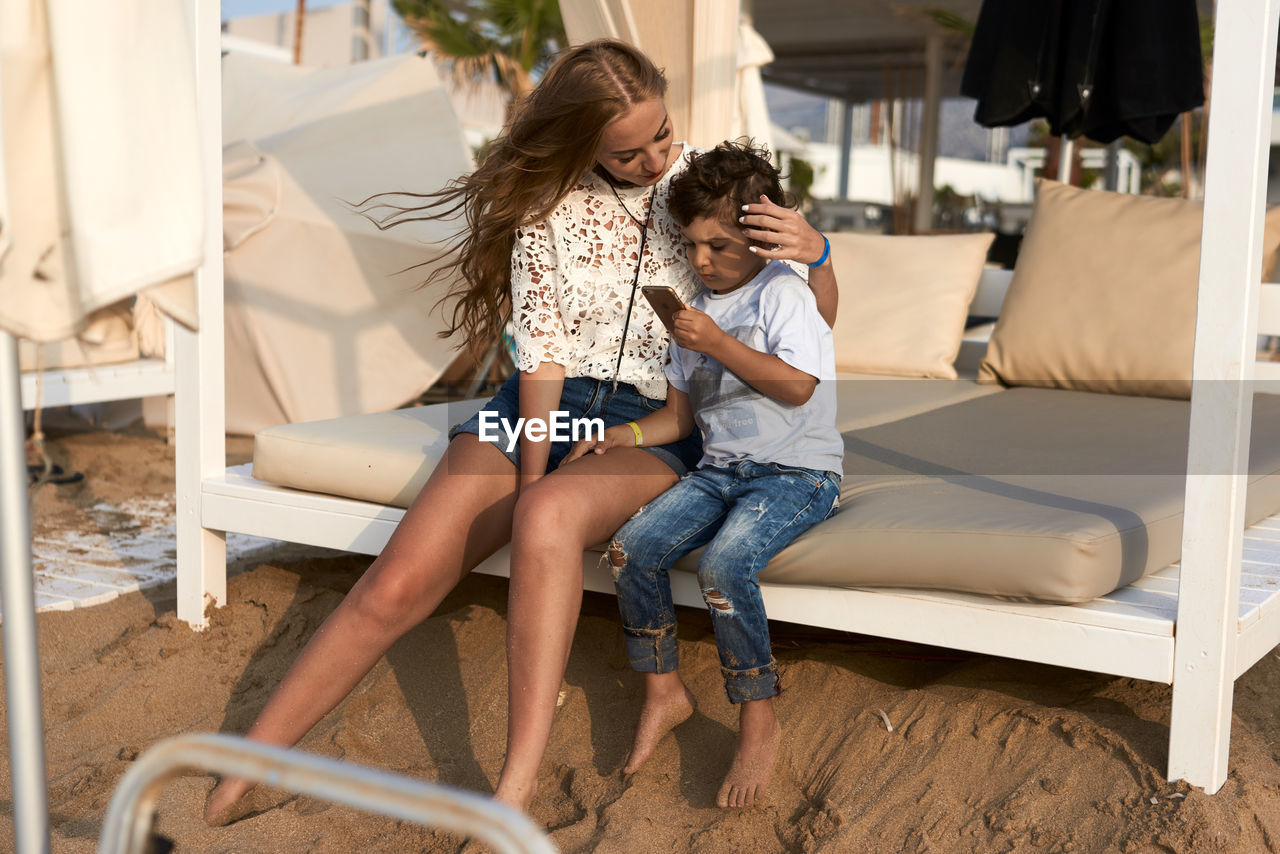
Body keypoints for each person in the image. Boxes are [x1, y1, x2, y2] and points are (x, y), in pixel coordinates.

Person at [204, 40, 836, 823]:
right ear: (582, 141)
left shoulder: (710, 185)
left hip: (660, 418)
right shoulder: (546, 209)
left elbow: (805, 325)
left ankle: (514, 790)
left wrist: (820, 251)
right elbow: (541, 361)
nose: (654, 160)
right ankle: (240, 774)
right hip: (544, 402)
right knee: (398, 581)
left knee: (546, 518)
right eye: (630, 150)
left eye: (663, 136)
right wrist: (535, 472)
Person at [564, 141, 843, 809]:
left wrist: (717, 342)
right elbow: (679, 417)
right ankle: (665, 690)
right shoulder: (696, 310)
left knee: (723, 566)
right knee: (633, 549)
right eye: (691, 245)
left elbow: (800, 387)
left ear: (761, 238)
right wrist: (620, 435)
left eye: (718, 245)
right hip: (721, 473)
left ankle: (757, 714)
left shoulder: (784, 295)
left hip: (796, 475)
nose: (701, 260)